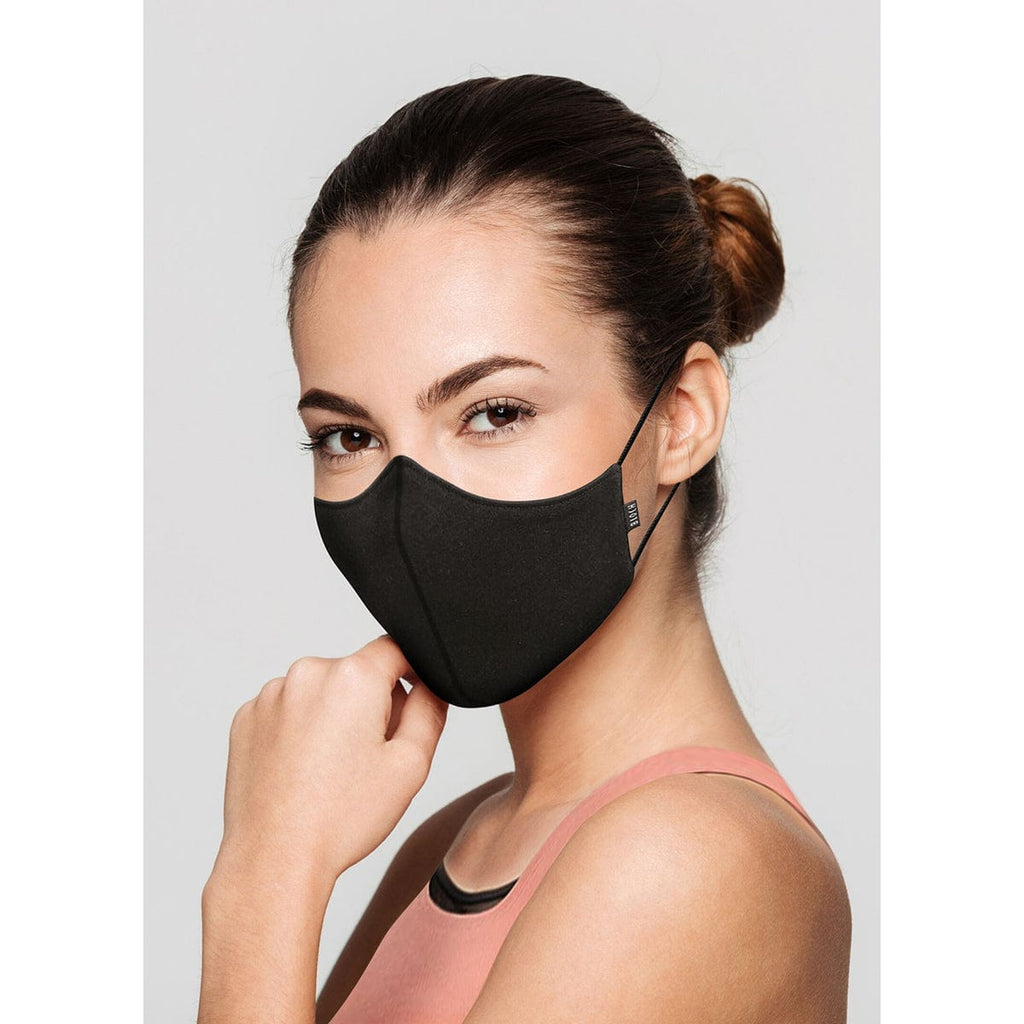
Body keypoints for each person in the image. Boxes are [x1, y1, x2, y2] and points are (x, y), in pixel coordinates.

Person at [198, 73, 852, 1023]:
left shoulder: (690, 855)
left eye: (495, 412)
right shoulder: (454, 844)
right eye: (349, 435)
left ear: (680, 416)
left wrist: (263, 874)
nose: (411, 509)